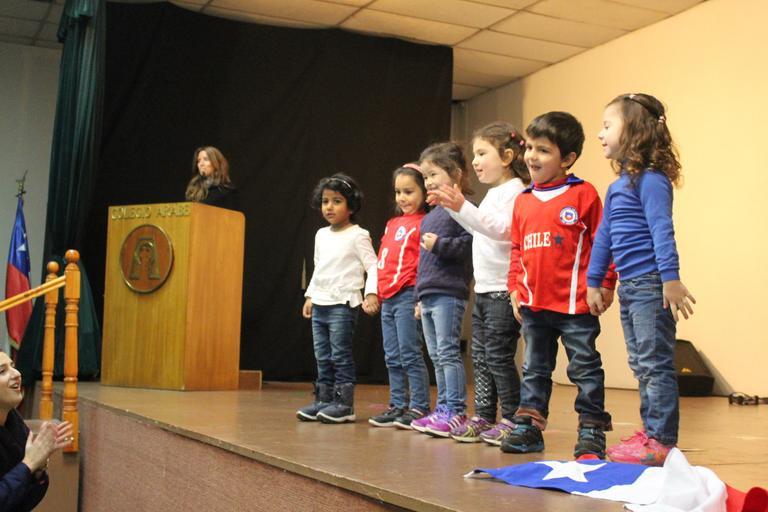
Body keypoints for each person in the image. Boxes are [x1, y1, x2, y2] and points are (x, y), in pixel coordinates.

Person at [587, 93, 696, 466]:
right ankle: (650, 432)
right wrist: (596, 280)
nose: (600, 133)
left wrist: (671, 279)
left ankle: (661, 440)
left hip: (651, 285)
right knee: (640, 363)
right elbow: (605, 236)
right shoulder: (618, 186)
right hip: (631, 287)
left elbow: (662, 230)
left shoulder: (651, 181)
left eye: (607, 125)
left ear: (633, 129)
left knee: (654, 363)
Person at [502, 111, 616, 459]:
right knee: (534, 368)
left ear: (567, 159)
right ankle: (529, 425)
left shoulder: (584, 194)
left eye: (543, 150)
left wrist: (606, 282)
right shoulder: (523, 200)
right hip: (534, 304)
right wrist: (514, 288)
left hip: (575, 304)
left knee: (584, 367)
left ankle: (592, 427)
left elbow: (604, 242)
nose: (532, 156)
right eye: (530, 148)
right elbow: (517, 249)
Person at [427, 122, 528, 444]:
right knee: (481, 358)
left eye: (482, 153)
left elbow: (502, 230)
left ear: (507, 157)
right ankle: (484, 415)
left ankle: (513, 418)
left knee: (498, 357)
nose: (475, 161)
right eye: (474, 154)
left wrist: (462, 207)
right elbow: (479, 230)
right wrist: (454, 209)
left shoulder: (516, 192)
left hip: (502, 290)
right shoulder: (494, 193)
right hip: (483, 289)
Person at [297, 173, 379, 424]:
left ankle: (344, 404)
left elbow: (373, 265)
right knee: (322, 355)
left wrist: (371, 293)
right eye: (325, 201)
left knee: (340, 354)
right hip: (320, 302)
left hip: (343, 304)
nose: (329, 207)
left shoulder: (358, 234)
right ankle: (324, 399)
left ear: (351, 205)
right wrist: (310, 295)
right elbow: (319, 266)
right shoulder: (321, 234)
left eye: (337, 201)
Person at [409, 142, 473, 438]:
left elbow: (470, 245)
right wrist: (418, 297)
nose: (428, 182)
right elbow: (423, 262)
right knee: (435, 354)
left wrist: (441, 245)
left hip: (449, 292)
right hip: (429, 294)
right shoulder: (431, 215)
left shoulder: (462, 211)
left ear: (455, 174)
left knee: (447, 352)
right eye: (425, 177)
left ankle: (456, 410)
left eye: (434, 174)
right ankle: (443, 408)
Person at [368, 164, 431, 429]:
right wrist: (375, 291)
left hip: (407, 294)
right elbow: (384, 260)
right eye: (398, 192)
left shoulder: (425, 222)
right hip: (389, 297)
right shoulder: (392, 224)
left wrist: (419, 297)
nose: (402, 198)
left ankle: (419, 406)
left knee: (409, 353)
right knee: (392, 355)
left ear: (424, 192)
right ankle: (397, 404)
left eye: (409, 191)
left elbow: (424, 264)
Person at [0, 351, 73, 511]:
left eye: (13, 366)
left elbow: (24, 503)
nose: (17, 374)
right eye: (2, 371)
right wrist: (29, 464)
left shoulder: (13, 420)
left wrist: (37, 469)